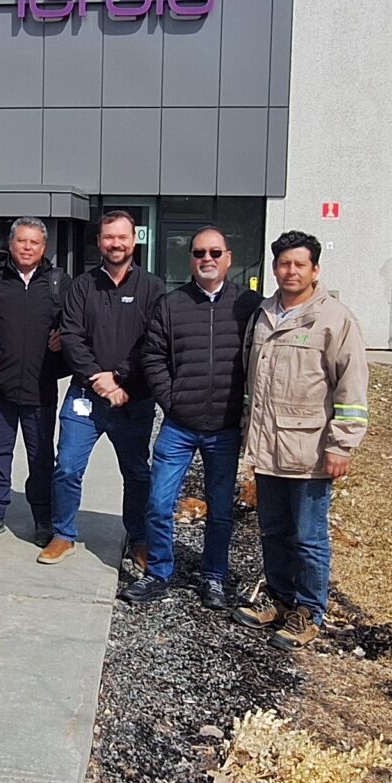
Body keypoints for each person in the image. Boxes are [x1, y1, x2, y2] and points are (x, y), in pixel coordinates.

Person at [232, 231, 369, 650]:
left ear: (315, 270)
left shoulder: (334, 319)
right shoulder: (264, 314)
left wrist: (341, 444)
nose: (290, 271)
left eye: (299, 265)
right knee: (273, 531)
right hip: (268, 448)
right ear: (274, 268)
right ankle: (278, 599)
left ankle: (309, 611)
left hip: (310, 452)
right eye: (283, 264)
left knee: (308, 538)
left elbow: (351, 386)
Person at [124, 226, 258, 607]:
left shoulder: (248, 305)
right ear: (191, 259)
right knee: (159, 502)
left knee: (220, 509)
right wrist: (172, 399)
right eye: (200, 253)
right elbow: (152, 356)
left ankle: (213, 577)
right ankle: (158, 572)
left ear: (228, 258)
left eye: (215, 253)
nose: (207, 260)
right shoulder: (172, 304)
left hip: (225, 428)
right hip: (179, 426)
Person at [42, 210, 165, 565]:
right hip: (85, 397)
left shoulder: (152, 288)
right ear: (98, 242)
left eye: (122, 237)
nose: (115, 243)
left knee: (137, 472)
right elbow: (72, 337)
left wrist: (121, 377)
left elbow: (153, 342)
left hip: (134, 399)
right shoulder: (82, 286)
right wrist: (99, 378)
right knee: (66, 466)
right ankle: (63, 534)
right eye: (108, 237)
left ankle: (139, 537)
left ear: (134, 240)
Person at [0, 217, 64, 541]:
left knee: (41, 458)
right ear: (10, 244)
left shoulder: (58, 282)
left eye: (34, 242)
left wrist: (63, 337)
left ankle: (43, 520)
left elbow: (76, 326)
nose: (27, 247)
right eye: (21, 241)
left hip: (41, 387)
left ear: (44, 247)